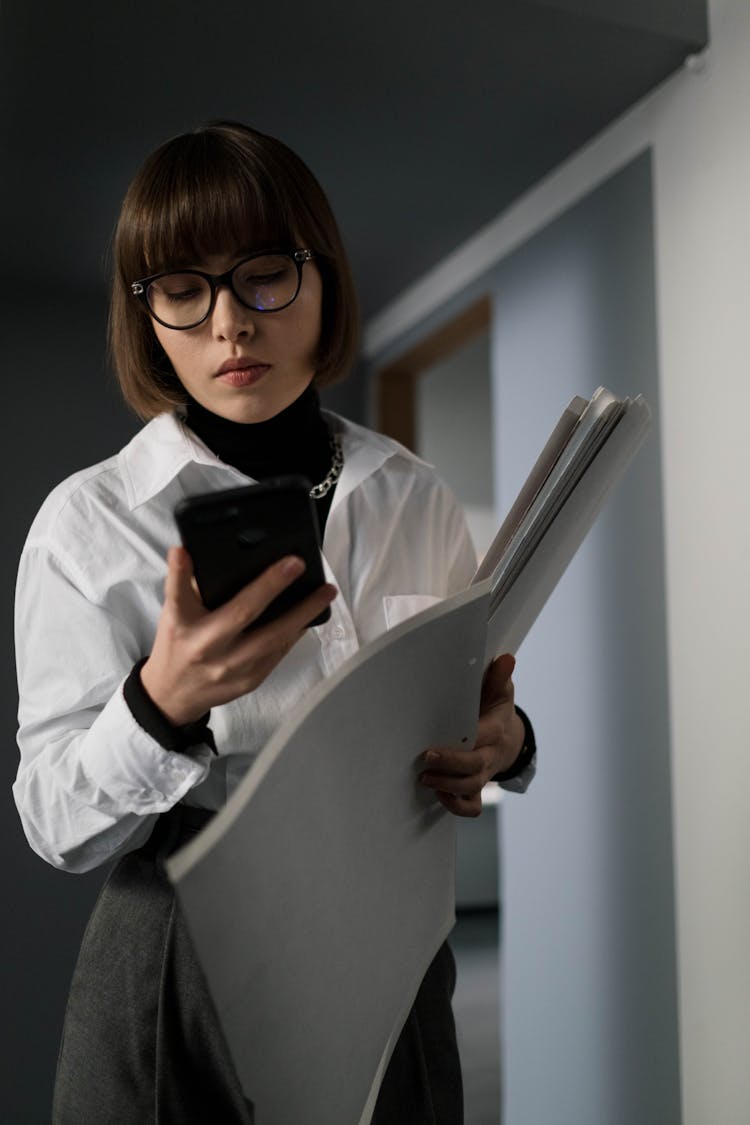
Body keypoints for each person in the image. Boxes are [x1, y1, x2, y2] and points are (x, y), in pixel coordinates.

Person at [13, 121, 536, 1124]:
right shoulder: (91, 523)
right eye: (182, 289)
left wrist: (502, 743)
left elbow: (470, 706)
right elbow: (53, 823)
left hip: (389, 939)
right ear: (148, 313)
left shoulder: (412, 493)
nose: (229, 325)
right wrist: (160, 705)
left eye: (262, 275)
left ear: (323, 278)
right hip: (181, 951)